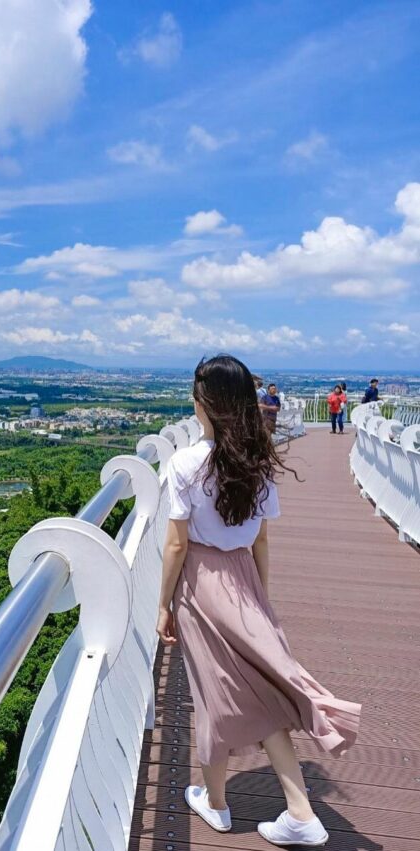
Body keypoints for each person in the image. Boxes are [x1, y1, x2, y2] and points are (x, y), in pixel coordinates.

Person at [157, 355, 360, 847]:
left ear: (206, 403)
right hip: (244, 577)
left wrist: (163, 604)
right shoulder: (258, 462)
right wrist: (259, 601)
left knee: (214, 692)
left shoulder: (185, 463)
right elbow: (261, 541)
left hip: (202, 582)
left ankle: (219, 803)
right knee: (263, 685)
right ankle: (298, 812)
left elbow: (178, 545)